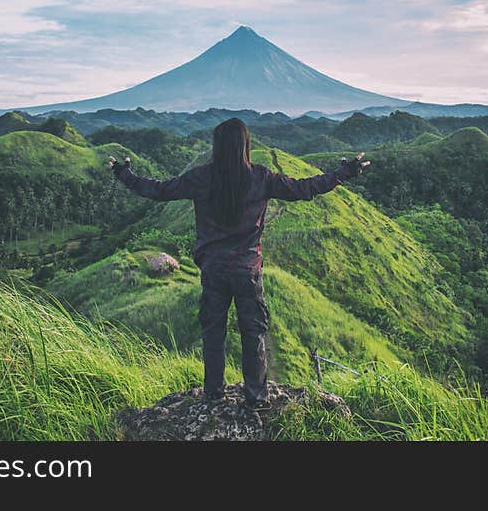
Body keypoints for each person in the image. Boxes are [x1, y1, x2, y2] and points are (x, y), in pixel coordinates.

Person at [108, 118, 370, 408]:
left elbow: (159, 190)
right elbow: (304, 188)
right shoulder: (261, 177)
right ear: (246, 145)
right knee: (253, 332)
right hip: (247, 270)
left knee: (213, 333)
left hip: (214, 269)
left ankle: (213, 395)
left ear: (217, 147)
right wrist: (343, 173)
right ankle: (256, 397)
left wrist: (125, 174)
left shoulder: (201, 177)